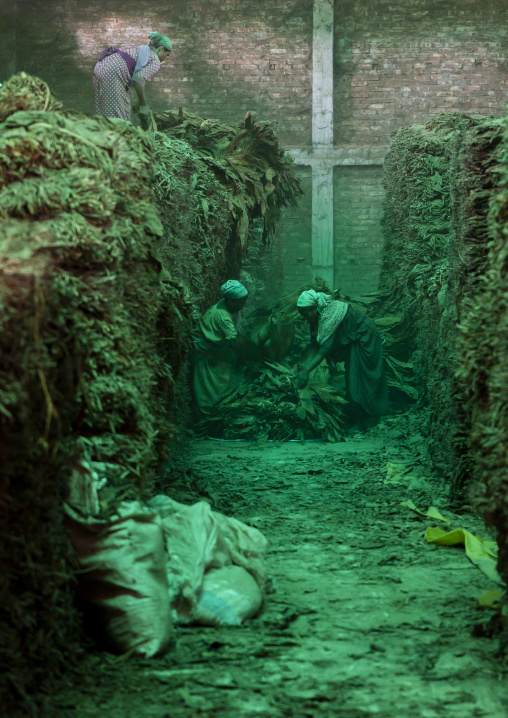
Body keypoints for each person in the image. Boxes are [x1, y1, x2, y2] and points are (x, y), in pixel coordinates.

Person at [294, 290, 390, 430]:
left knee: (356, 380)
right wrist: (303, 368)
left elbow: (324, 349)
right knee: (353, 378)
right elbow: (314, 345)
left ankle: (362, 421)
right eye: (302, 315)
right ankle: (359, 418)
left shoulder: (329, 317)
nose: (305, 318)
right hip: (355, 340)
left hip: (365, 338)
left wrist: (306, 371)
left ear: (314, 307)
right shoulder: (317, 315)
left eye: (306, 313)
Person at [193, 280, 249, 414]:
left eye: (244, 300)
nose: (243, 304)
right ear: (230, 300)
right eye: (240, 301)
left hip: (218, 353)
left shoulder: (229, 306)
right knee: (212, 391)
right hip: (208, 357)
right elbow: (235, 341)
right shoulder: (222, 316)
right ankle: (208, 419)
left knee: (225, 385)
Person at [93, 31, 172, 122]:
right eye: (167, 55)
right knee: (119, 119)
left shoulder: (139, 50)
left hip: (100, 67)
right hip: (113, 73)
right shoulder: (155, 59)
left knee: (105, 115)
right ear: (161, 49)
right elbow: (139, 79)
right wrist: (143, 105)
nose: (164, 59)